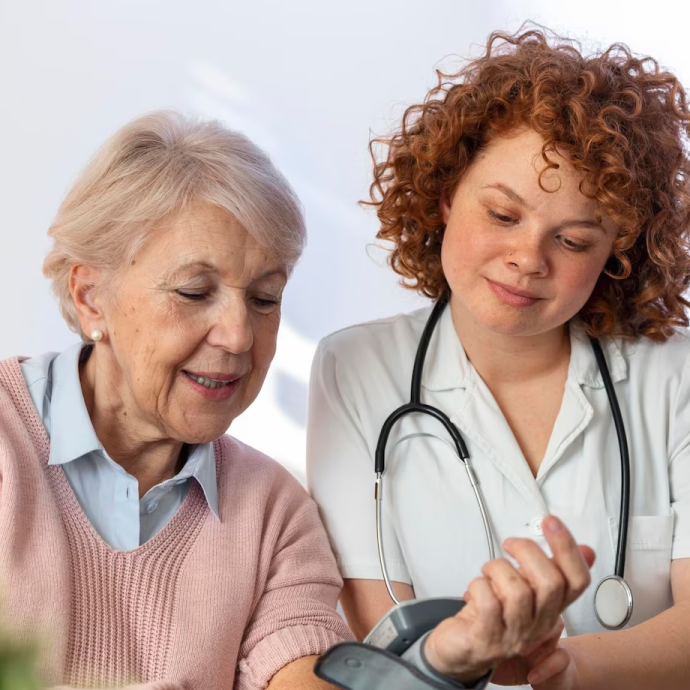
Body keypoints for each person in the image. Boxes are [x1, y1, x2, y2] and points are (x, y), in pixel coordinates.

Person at [307, 28, 690, 689]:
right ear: (447, 194)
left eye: (573, 240)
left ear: (616, 253)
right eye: (503, 215)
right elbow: (382, 648)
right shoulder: (356, 368)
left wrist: (569, 669)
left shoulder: (673, 375)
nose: (528, 259)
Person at [0, 110, 354, 690]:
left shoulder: (274, 514)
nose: (238, 336)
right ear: (90, 297)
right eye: (194, 292)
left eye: (265, 298)